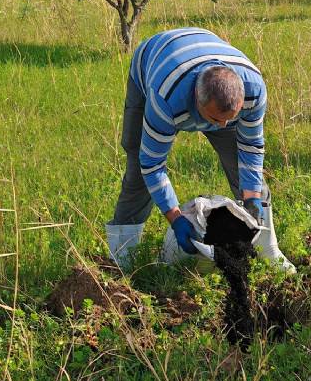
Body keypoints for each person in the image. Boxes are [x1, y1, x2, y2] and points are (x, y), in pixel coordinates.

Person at [106, 27, 294, 272]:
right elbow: (152, 165)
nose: (224, 126)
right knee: (137, 169)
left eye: (230, 118)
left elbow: (251, 146)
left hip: (204, 63)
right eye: (216, 119)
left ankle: (269, 250)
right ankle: (124, 256)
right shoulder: (166, 98)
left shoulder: (253, 90)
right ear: (197, 99)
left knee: (245, 170)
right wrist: (175, 218)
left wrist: (252, 197)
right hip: (153, 62)